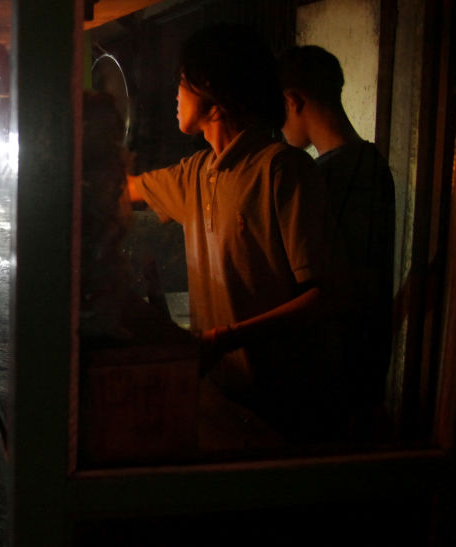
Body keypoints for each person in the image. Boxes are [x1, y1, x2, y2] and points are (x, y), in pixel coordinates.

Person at [126, 23, 335, 440]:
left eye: (182, 82)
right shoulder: (198, 173)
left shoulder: (281, 171)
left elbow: (322, 298)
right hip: (223, 395)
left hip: (281, 409)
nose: (175, 93)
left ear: (214, 96)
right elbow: (124, 190)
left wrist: (223, 339)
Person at [278, 44, 395, 436]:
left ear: (292, 101)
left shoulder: (324, 177)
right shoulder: (373, 163)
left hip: (336, 374)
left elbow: (335, 287)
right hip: (365, 368)